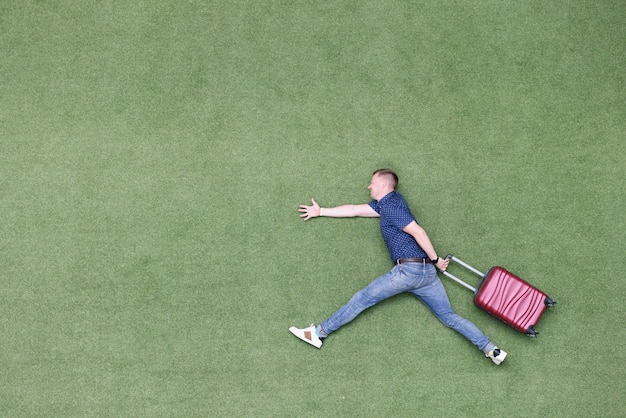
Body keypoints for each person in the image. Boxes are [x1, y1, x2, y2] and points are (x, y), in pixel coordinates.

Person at [289, 169, 507, 365]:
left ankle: (318, 333)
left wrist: (437, 260)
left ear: (384, 185)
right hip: (426, 277)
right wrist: (322, 211)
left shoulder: (392, 208)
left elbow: (418, 232)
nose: (368, 186)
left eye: (372, 183)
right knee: (449, 317)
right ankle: (491, 349)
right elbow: (355, 210)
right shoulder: (388, 205)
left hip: (410, 271)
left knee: (362, 298)